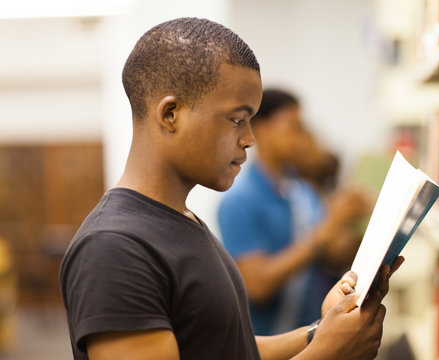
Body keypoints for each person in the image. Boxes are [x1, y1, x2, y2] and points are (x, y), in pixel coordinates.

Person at [59, 17, 403, 360]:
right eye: (237, 120)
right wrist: (327, 354)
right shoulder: (115, 247)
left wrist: (321, 330)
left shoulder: (181, 220)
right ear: (170, 115)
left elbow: (227, 347)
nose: (250, 139)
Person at [218, 89, 373, 335]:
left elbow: (332, 255)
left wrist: (364, 223)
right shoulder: (238, 202)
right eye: (293, 128)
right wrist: (325, 231)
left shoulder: (302, 192)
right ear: (262, 130)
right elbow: (257, 285)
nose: (302, 139)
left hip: (311, 337)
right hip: (268, 344)